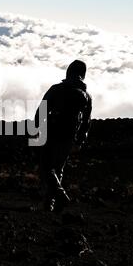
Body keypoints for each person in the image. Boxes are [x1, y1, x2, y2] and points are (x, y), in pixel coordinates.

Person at [35, 60, 93, 212]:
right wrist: (80, 140)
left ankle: (59, 196)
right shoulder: (86, 96)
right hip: (70, 136)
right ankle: (51, 204)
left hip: (52, 132)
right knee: (58, 168)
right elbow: (86, 122)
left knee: (46, 168)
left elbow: (42, 110)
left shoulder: (57, 89)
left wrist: (37, 128)